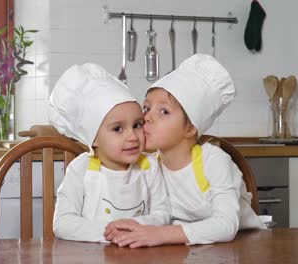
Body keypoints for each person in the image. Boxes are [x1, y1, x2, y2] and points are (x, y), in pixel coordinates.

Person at [104, 54, 266, 247]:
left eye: (164, 111)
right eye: (146, 108)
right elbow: (156, 217)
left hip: (244, 246)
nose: (146, 117)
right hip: (186, 250)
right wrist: (133, 225)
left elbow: (226, 225)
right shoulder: (149, 165)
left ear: (190, 128)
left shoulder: (214, 161)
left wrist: (159, 235)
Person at [48, 63, 170, 242]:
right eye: (118, 129)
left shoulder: (150, 166)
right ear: (94, 139)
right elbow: (63, 223)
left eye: (137, 125)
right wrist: (112, 233)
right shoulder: (80, 169)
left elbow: (163, 213)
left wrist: (134, 228)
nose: (132, 137)